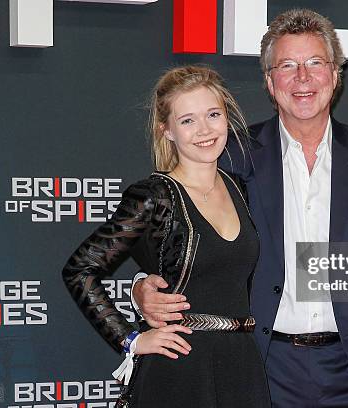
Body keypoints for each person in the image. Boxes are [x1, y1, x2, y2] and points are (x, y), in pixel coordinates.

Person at [132, 9, 348, 408]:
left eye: (315, 63)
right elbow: (180, 235)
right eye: (287, 66)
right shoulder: (230, 155)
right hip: (263, 367)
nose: (303, 78)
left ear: (335, 75)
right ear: (269, 82)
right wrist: (141, 284)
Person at [62, 65, 270, 408]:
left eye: (213, 114)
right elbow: (79, 270)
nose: (204, 130)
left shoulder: (238, 188)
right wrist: (130, 339)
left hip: (242, 368)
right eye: (188, 120)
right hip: (179, 371)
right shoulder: (154, 196)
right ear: (167, 130)